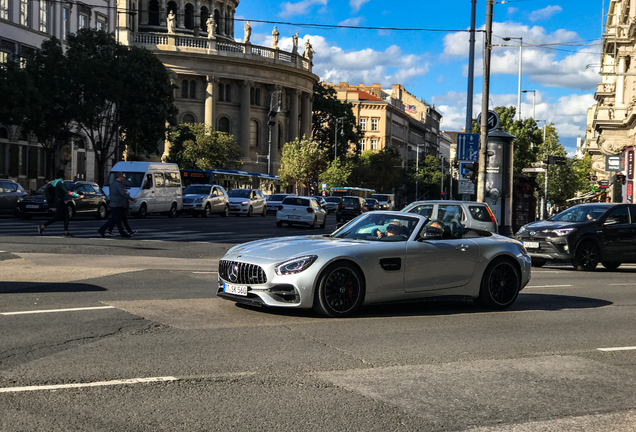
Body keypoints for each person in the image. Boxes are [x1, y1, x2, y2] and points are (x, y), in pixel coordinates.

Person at [38, 170, 84, 238]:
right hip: (60, 202)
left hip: (58, 201)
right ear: (62, 175)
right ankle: (42, 227)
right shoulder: (60, 182)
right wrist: (78, 196)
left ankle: (66, 232)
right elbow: (67, 191)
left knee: (66, 216)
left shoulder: (54, 182)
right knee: (58, 217)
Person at [98, 172, 132, 238]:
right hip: (118, 204)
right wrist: (131, 198)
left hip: (113, 203)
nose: (123, 179)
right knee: (114, 219)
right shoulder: (118, 185)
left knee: (118, 219)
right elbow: (122, 193)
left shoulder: (112, 184)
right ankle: (102, 229)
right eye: (122, 177)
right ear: (119, 177)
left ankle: (122, 233)